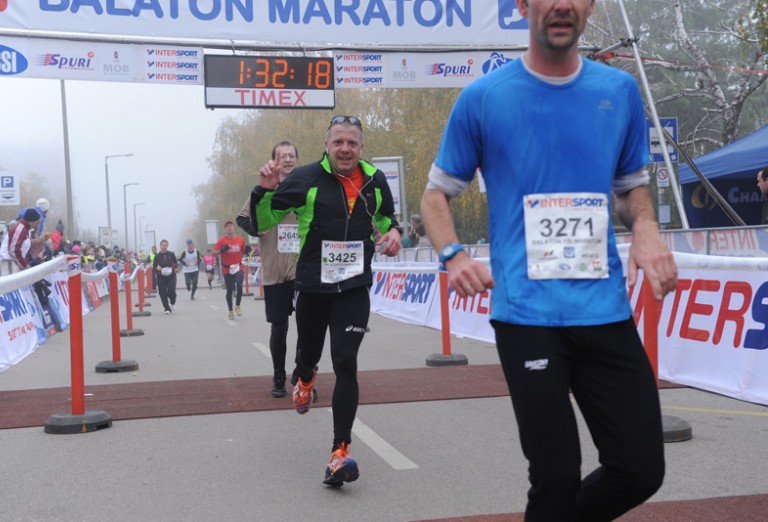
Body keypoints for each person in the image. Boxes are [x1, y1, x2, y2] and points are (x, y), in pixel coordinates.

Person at [420, 1, 679, 519]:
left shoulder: (618, 91)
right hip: (527, 315)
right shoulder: (484, 97)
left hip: (604, 310)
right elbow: (435, 195)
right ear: (522, 5)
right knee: (556, 475)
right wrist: (453, 255)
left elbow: (630, 189)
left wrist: (647, 228)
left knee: (640, 469)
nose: (561, 4)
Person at [250, 115, 402, 487]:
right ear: (327, 145)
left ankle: (340, 453)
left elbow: (386, 217)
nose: (345, 149)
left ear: (361, 147)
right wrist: (263, 191)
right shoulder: (305, 179)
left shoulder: (375, 180)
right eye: (338, 142)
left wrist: (394, 233)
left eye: (352, 143)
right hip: (313, 288)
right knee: (308, 355)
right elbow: (262, 221)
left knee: (346, 361)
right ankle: (303, 379)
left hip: (353, 286)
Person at [238, 141, 301, 398]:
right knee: (279, 327)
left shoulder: (307, 186)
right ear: (274, 161)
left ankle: (303, 375)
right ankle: (278, 376)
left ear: (297, 159)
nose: (287, 159)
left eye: (291, 155)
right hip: (274, 267)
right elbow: (243, 217)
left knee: (310, 325)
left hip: (302, 267)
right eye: (282, 156)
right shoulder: (266, 190)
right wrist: (255, 229)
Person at [212, 221, 246, 320]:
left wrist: (247, 252)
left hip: (238, 267)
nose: (229, 228)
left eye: (231, 226)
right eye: (227, 227)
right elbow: (213, 253)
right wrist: (221, 250)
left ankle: (237, 306)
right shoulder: (222, 241)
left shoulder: (240, 240)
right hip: (227, 268)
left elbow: (243, 251)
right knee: (229, 290)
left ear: (234, 228)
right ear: (225, 230)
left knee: (239, 285)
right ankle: (230, 311)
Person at [152, 239, 178, 315]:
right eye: (163, 245)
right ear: (160, 246)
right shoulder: (157, 256)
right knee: (162, 293)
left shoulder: (171, 254)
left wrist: (176, 268)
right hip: (161, 277)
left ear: (167, 246)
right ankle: (167, 308)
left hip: (171, 276)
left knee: (171, 291)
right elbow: (154, 267)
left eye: (165, 245)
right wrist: (157, 268)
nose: (164, 246)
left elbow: (176, 263)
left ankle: (172, 302)